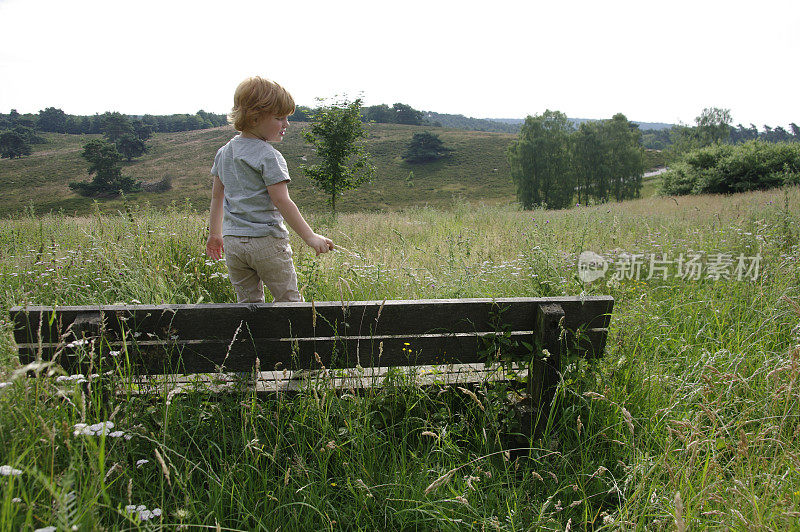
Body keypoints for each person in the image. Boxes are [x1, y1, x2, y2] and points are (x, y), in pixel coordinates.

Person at [205, 76, 333, 303]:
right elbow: (282, 201)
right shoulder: (269, 156)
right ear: (255, 118)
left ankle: (256, 338)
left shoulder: (224, 152)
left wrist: (215, 234)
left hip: (233, 242)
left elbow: (217, 196)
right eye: (279, 117)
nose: (286, 124)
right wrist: (310, 237)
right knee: (288, 302)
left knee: (249, 305)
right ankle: (292, 339)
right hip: (266, 242)